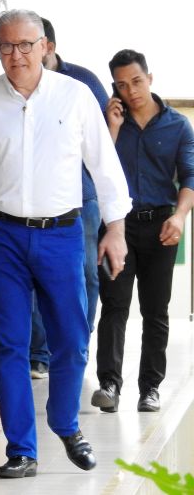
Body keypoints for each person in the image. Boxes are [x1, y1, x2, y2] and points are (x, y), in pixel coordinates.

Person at [0, 9, 131, 479]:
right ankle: (21, 447)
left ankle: (66, 425)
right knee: (8, 344)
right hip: (0, 235)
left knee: (71, 339)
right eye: (5, 46)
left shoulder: (76, 96)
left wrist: (116, 229)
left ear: (45, 46)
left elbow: (105, 166)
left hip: (62, 235)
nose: (16, 55)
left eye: (26, 45)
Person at [91, 49, 194, 414]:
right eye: (122, 84)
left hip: (160, 225)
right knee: (115, 305)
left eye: (136, 81)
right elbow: (96, 170)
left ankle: (150, 388)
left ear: (149, 78)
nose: (131, 90)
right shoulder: (109, 125)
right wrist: (113, 129)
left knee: (155, 311)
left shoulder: (178, 125)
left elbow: (190, 177)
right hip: (118, 226)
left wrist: (180, 217)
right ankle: (109, 384)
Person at [28, 16, 111, 379]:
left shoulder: (83, 82)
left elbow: (105, 133)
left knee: (88, 274)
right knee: (35, 277)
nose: (25, 57)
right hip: (37, 198)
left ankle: (78, 341)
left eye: (32, 47)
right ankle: (41, 352)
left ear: (49, 46)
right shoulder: (20, 85)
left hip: (84, 194)